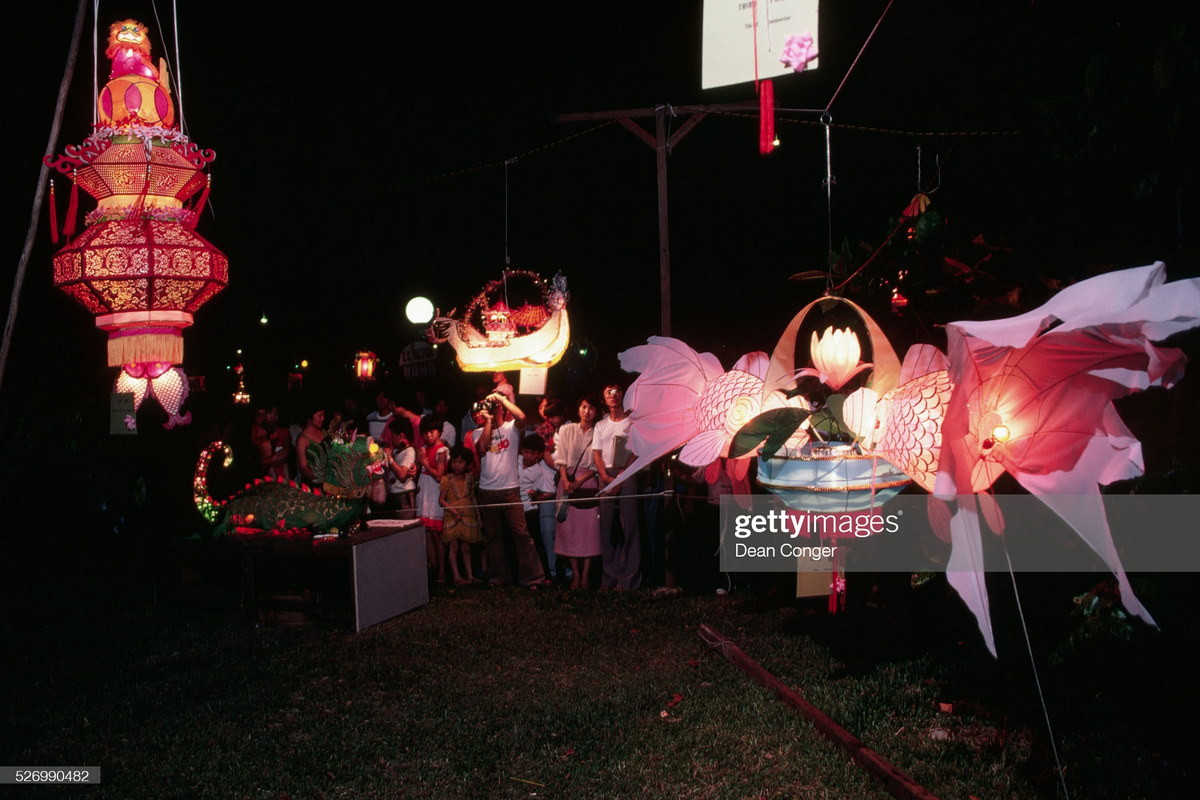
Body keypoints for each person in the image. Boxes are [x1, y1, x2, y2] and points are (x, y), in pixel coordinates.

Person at [473, 391, 548, 588]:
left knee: (521, 534)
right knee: (493, 536)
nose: (489, 408)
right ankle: (498, 576)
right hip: (486, 490)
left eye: (491, 405)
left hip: (510, 489)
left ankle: (533, 578)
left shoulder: (511, 428)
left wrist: (502, 399)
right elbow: (481, 449)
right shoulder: (478, 431)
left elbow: (522, 418)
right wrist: (488, 421)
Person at [594, 382, 640, 591]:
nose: (613, 395)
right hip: (606, 476)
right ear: (603, 397)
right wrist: (604, 476)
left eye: (616, 391)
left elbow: (636, 450)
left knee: (629, 526)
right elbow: (596, 453)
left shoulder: (631, 422)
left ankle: (629, 577)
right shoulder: (600, 425)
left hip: (627, 474)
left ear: (622, 394)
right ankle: (609, 576)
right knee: (607, 528)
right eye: (608, 391)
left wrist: (622, 475)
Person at [553, 395, 602, 590]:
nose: (586, 411)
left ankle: (586, 576)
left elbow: (598, 462)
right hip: (568, 482)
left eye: (591, 408)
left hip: (588, 482)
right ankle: (575, 574)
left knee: (589, 531)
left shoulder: (598, 432)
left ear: (595, 411)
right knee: (569, 531)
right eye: (584, 407)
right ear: (578, 409)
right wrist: (566, 480)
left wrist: (580, 481)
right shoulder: (567, 429)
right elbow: (561, 457)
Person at [519, 433, 559, 582]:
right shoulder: (515, 461)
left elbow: (542, 492)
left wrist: (535, 493)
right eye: (526, 452)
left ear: (540, 455)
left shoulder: (538, 471)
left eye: (532, 453)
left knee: (537, 542)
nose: (528, 456)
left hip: (530, 509)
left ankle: (546, 575)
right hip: (514, 508)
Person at [440, 446, 482, 585]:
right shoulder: (447, 479)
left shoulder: (469, 479)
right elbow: (441, 500)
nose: (457, 465)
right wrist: (453, 511)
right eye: (454, 462)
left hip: (467, 515)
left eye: (461, 462)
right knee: (454, 546)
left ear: (467, 464)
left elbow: (473, 498)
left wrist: (478, 516)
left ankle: (470, 575)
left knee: (466, 547)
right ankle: (457, 575)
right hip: (452, 516)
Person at [416, 415, 450, 583]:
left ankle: (443, 571)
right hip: (424, 491)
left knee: (437, 534)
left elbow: (439, 476)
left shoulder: (441, 450)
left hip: (435, 491)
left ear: (439, 432)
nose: (428, 435)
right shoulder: (423, 448)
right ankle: (433, 568)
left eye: (432, 432)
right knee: (427, 532)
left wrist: (425, 462)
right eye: (425, 433)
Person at [381, 415, 417, 517]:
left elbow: (402, 475)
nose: (391, 439)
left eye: (392, 435)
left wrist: (389, 457)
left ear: (400, 435)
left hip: (404, 496)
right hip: (396, 496)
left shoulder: (409, 451)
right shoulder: (397, 451)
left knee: (406, 528)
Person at [295, 405, 326, 488]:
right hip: (311, 484)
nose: (323, 418)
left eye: (323, 415)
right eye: (319, 416)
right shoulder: (302, 439)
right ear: (310, 417)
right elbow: (303, 468)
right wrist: (319, 477)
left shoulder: (325, 434)